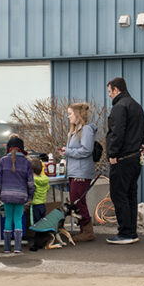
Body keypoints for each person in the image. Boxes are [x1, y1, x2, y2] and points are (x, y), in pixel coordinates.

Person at [105, 77, 144, 245]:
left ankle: (125, 233)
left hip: (122, 159)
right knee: (130, 195)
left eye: (110, 91)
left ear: (116, 90)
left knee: (119, 195)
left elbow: (117, 133)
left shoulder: (119, 107)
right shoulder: (136, 106)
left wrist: (112, 154)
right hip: (135, 159)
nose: (109, 95)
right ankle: (131, 232)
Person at [61, 102, 97, 242]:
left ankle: (88, 231)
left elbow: (86, 150)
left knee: (77, 201)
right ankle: (84, 229)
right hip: (75, 171)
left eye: (70, 114)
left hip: (81, 172)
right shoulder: (74, 131)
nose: (68, 117)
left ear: (77, 114)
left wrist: (68, 151)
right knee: (77, 201)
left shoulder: (86, 130)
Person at [0, 135, 33, 254]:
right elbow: (30, 183)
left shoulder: (2, 161)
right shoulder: (26, 162)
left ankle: (7, 248)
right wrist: (30, 196)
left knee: (8, 219)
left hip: (6, 195)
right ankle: (17, 247)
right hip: (20, 195)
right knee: (18, 219)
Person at [30, 156, 49, 225]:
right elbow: (48, 188)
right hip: (43, 205)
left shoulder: (32, 181)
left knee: (35, 225)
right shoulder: (45, 180)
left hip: (34, 206)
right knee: (42, 224)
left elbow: (30, 191)